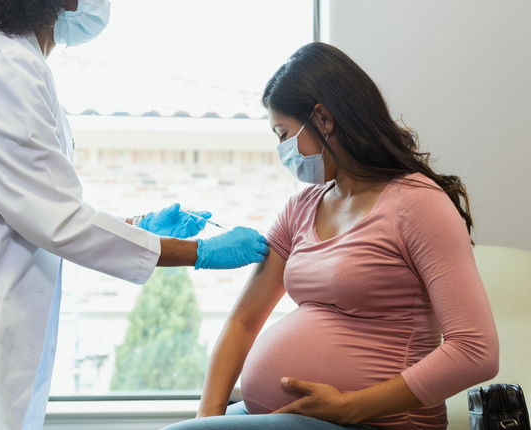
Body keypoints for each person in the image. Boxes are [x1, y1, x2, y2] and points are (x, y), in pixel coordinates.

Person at [0, 1, 269, 429]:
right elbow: (55, 218)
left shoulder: (19, 66)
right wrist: (195, 251)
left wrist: (134, 229)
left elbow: (40, 206)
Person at [162, 42, 499, 430]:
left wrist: (352, 406)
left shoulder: (418, 204)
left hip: (371, 422)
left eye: (284, 133)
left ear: (323, 119)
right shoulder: (302, 207)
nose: (281, 150)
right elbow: (243, 321)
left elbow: (476, 351)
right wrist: (208, 420)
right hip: (283, 417)